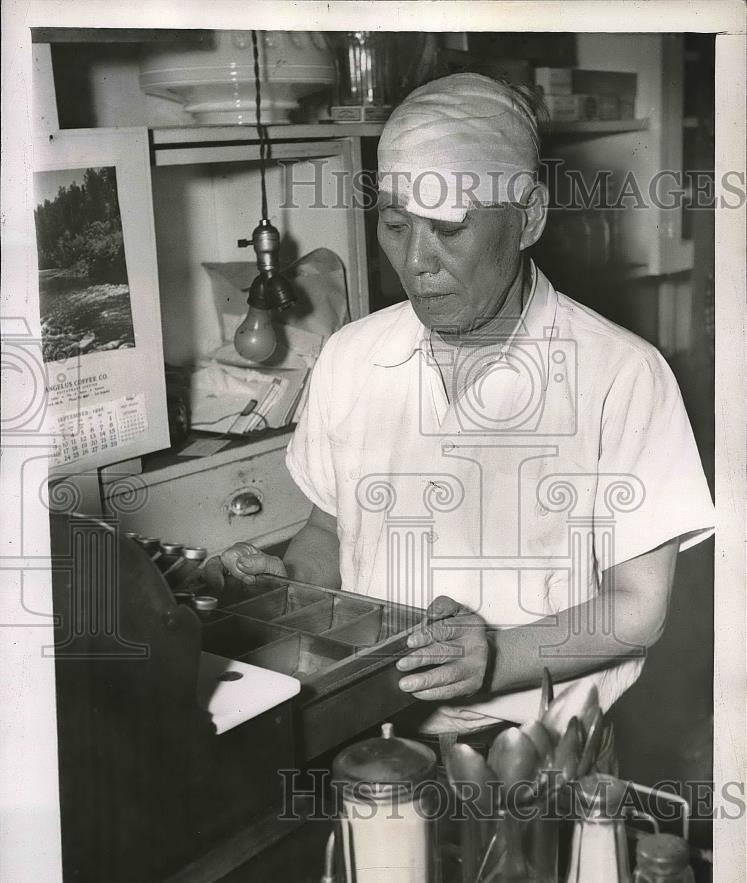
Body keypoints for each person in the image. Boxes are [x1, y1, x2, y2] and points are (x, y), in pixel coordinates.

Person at [206, 74, 714, 757]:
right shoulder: (352, 357)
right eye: (394, 224)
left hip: (541, 746)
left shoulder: (619, 374)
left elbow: (637, 608)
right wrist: (289, 585)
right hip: (367, 730)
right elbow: (329, 529)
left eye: (448, 227)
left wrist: (496, 657)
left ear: (527, 216)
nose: (417, 263)